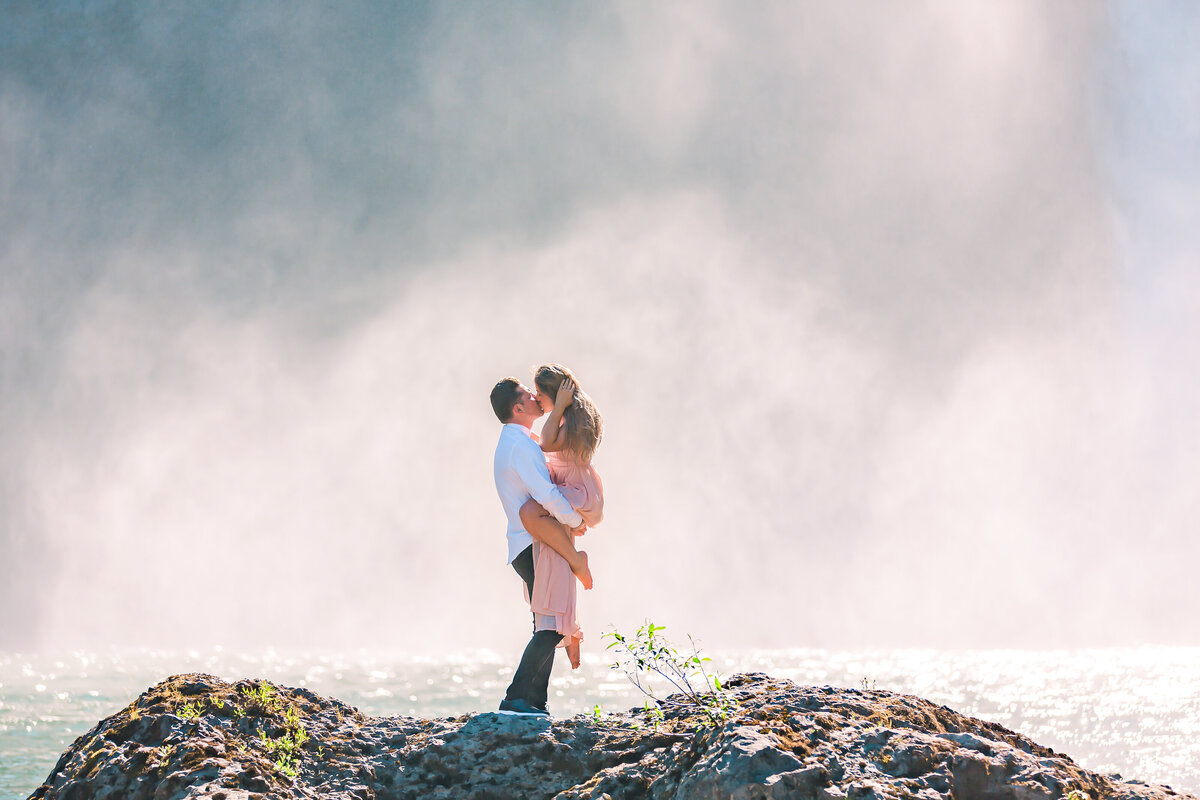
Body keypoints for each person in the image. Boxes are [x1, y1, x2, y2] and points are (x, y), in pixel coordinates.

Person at [490, 376, 591, 716]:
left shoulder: (515, 442)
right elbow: (545, 494)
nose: (535, 397)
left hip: (524, 545)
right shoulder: (521, 446)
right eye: (528, 395)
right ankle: (516, 698)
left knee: (546, 625)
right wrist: (576, 521)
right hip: (537, 544)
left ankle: (535, 702)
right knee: (552, 627)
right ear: (518, 408)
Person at [520, 364, 605, 670]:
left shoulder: (569, 417)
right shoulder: (568, 415)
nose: (536, 398)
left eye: (540, 394)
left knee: (530, 512)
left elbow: (546, 444)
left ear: (555, 396)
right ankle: (572, 632)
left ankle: (577, 563)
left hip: (576, 489)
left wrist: (558, 408)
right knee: (553, 562)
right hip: (569, 487)